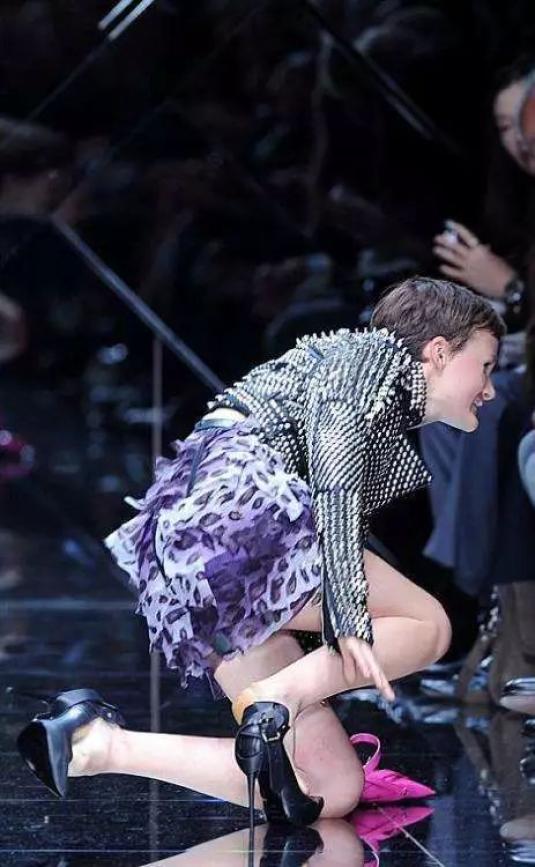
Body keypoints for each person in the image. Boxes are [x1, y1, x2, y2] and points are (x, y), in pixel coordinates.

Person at [13, 278, 503, 828]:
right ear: (438, 352)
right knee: (426, 624)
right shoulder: (368, 360)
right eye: (485, 367)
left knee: (328, 787)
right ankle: (274, 696)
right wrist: (345, 619)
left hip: (202, 555)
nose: (489, 388)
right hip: (236, 519)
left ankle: (93, 745)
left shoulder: (375, 390)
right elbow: (336, 482)